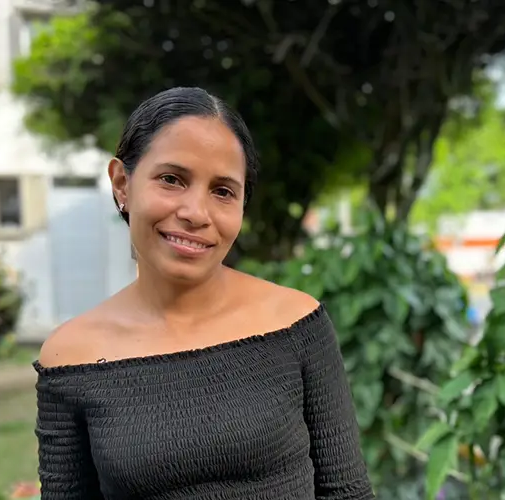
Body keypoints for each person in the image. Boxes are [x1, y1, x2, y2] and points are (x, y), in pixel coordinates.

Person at [34, 87, 375, 500]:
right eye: (172, 180)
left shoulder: (296, 323)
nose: (196, 213)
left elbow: (347, 492)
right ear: (123, 183)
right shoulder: (72, 357)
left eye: (223, 191)